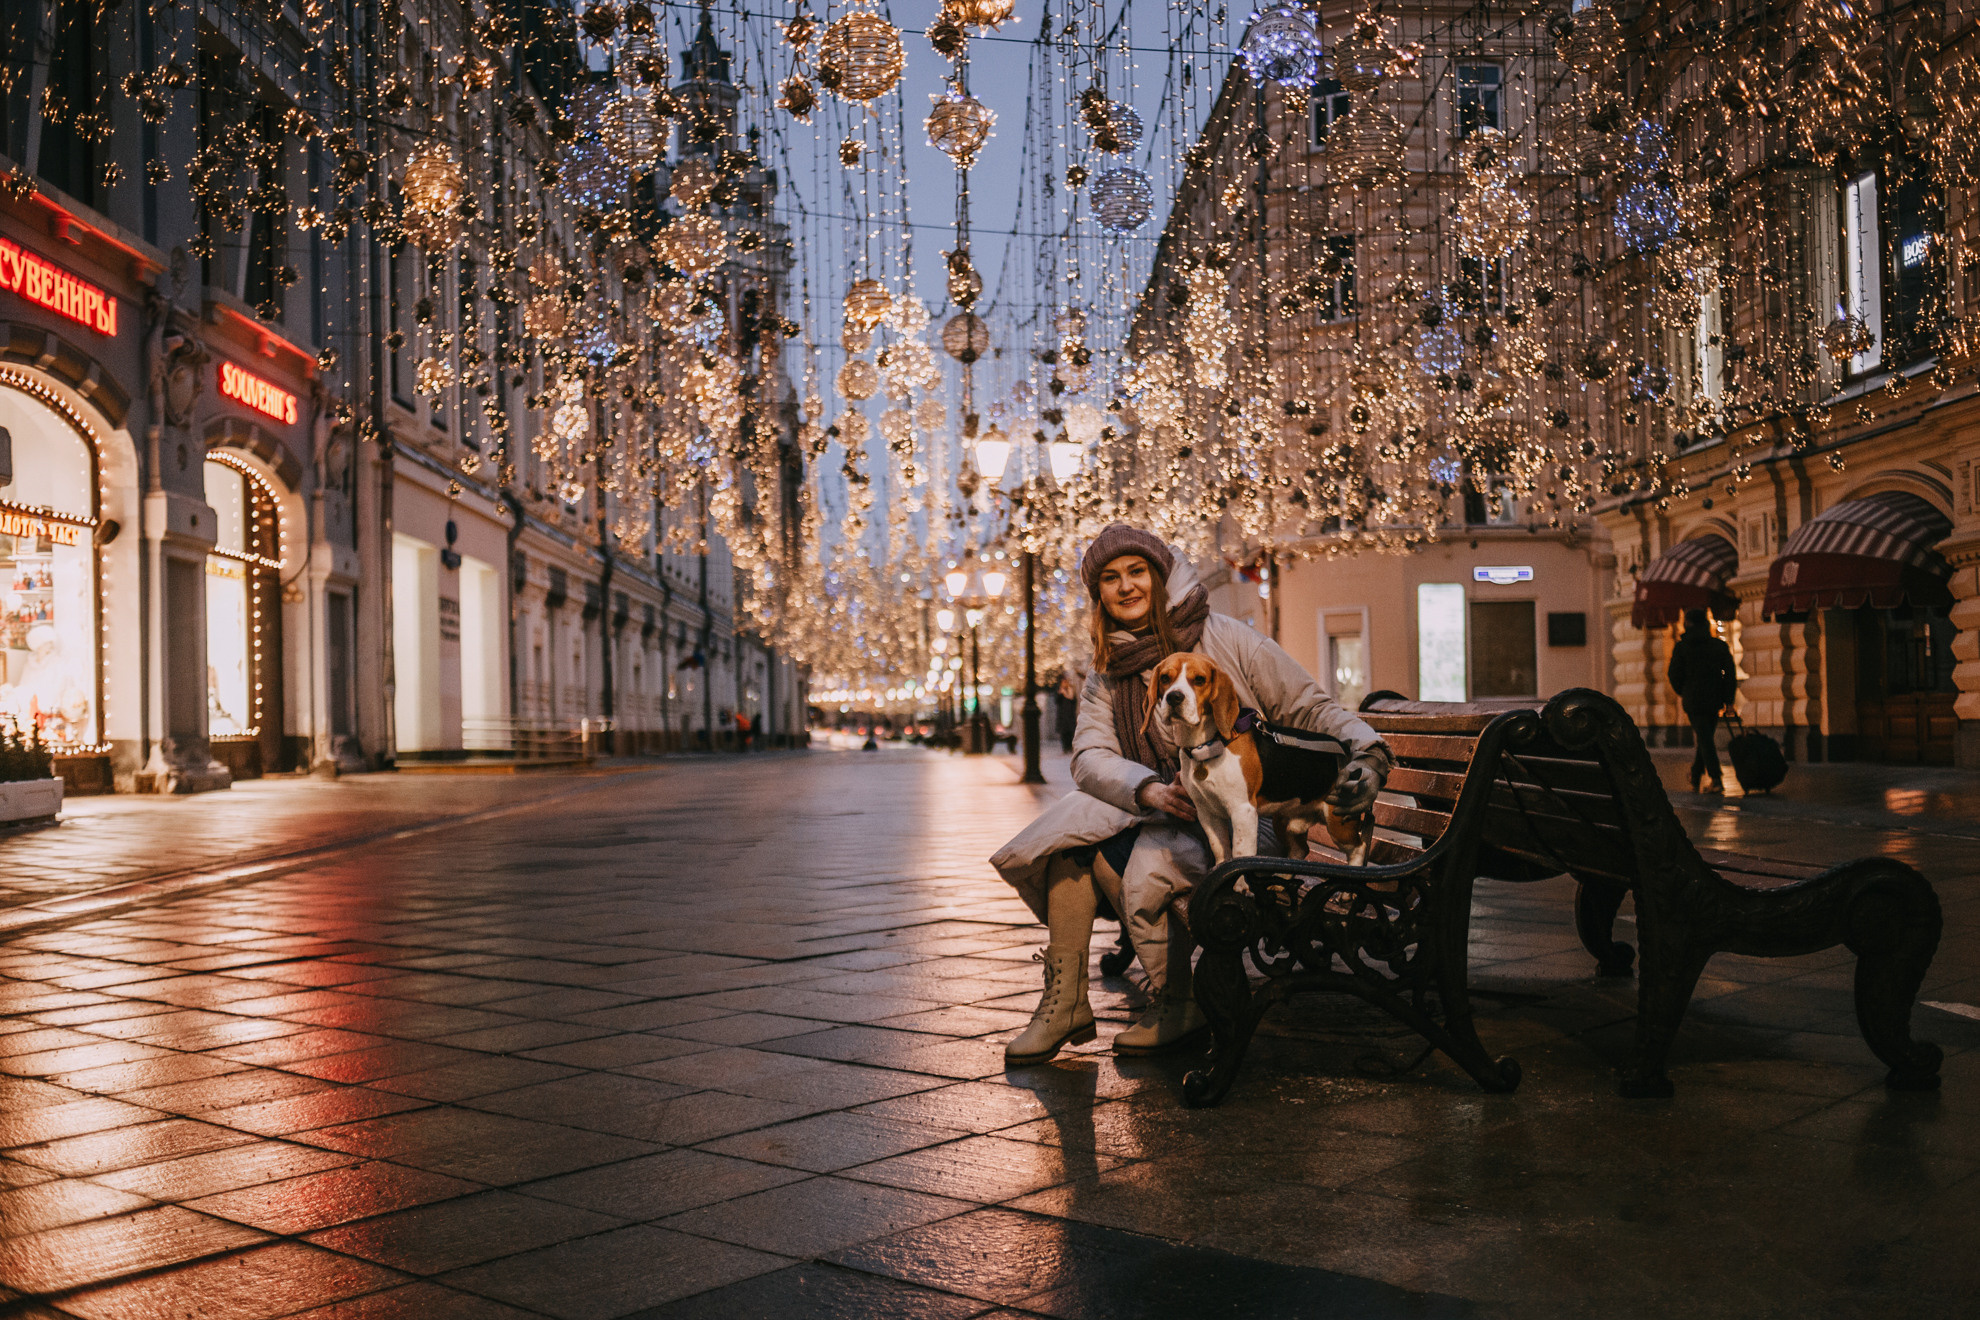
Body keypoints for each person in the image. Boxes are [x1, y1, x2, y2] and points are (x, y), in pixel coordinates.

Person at [990, 525, 1391, 1064]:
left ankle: (1178, 1001)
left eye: (1137, 573)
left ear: (1160, 579)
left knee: (1117, 863)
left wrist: (1368, 753)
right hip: (1163, 811)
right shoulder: (1106, 670)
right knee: (1070, 834)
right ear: (1099, 595)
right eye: (1110, 579)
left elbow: (1310, 708)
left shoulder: (1224, 636)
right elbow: (1089, 757)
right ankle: (1064, 1003)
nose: (1126, 587)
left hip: (1244, 820)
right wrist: (1150, 790)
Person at [1668, 609, 1737, 793]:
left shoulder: (1682, 648)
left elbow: (1674, 674)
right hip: (1715, 700)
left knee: (1705, 738)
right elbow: (1730, 673)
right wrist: (1728, 698)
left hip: (1693, 700)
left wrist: (1683, 691)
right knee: (1706, 738)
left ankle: (1715, 779)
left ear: (1687, 624)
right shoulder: (1718, 646)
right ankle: (1696, 775)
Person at [1054, 666, 1080, 753]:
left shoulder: (1071, 691)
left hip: (1070, 715)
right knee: (1064, 733)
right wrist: (1061, 693)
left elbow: (1074, 701)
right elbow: (1057, 701)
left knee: (1071, 732)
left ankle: (1070, 747)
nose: (1065, 683)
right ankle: (1065, 748)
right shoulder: (1060, 691)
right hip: (1062, 716)